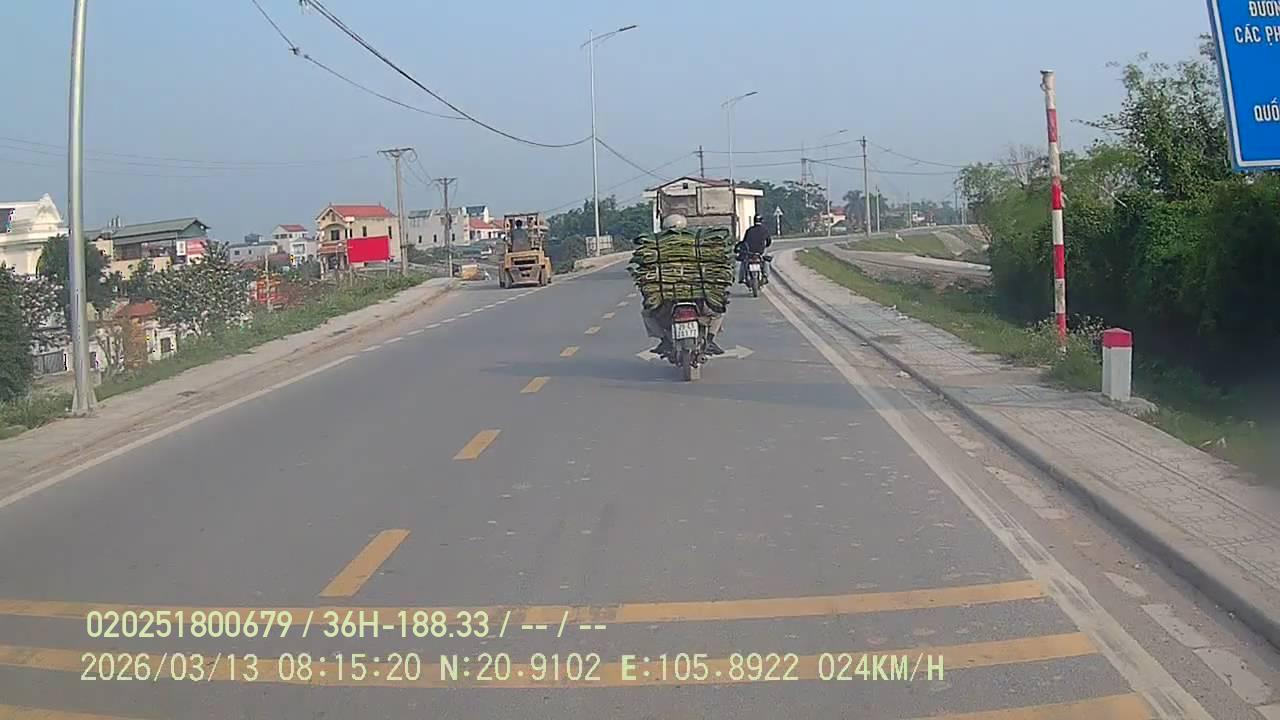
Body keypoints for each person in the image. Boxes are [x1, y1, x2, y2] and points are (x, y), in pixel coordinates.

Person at [642, 214, 726, 357]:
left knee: (647, 314)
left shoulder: (658, 247)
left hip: (667, 301)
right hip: (699, 299)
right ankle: (710, 340)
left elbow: (647, 271)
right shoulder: (696, 244)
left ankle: (664, 341)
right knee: (718, 312)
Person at [736, 215, 772, 285]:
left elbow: (744, 241)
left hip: (750, 252)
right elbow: (769, 241)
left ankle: (741, 278)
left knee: (744, 262)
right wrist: (766, 246)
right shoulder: (764, 230)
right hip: (760, 252)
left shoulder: (749, 230)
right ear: (761, 221)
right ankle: (765, 275)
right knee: (765, 261)